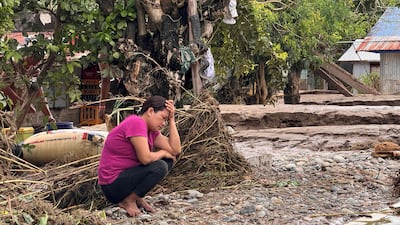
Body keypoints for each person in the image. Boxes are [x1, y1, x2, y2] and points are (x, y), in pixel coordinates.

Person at [97, 95, 181, 217]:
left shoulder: (150, 131)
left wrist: (172, 119)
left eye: (166, 121)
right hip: (113, 184)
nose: (163, 124)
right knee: (160, 166)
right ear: (150, 111)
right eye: (162, 118)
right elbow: (145, 159)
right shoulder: (136, 122)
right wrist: (162, 152)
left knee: (167, 160)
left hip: (124, 180)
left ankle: (136, 197)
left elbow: (175, 149)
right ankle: (129, 200)